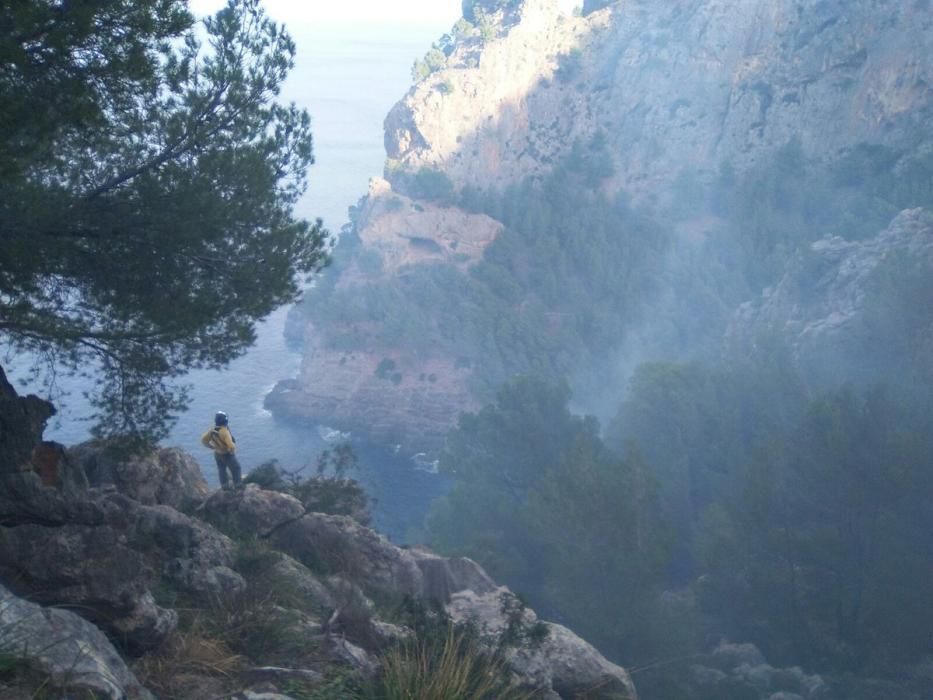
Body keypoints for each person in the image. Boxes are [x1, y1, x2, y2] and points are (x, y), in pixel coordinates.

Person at [201, 411, 242, 488]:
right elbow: (231, 446)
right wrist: (231, 452)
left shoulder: (212, 430)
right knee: (236, 468)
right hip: (226, 454)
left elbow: (203, 440)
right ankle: (238, 485)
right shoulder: (224, 431)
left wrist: (211, 447)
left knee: (221, 470)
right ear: (225, 420)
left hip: (217, 454)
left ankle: (224, 486)